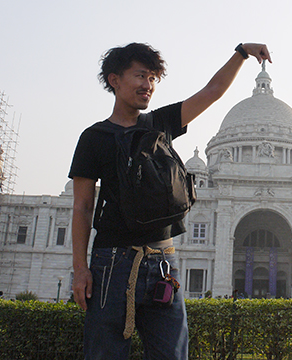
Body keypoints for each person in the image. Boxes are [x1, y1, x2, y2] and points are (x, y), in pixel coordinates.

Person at [69, 42, 271, 360]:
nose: (147, 85)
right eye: (140, 76)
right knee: (105, 353)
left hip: (163, 262)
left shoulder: (159, 124)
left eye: (152, 78)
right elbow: (81, 207)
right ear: (114, 80)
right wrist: (80, 268)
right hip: (112, 263)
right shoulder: (94, 138)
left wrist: (241, 53)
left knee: (172, 355)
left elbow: (213, 91)